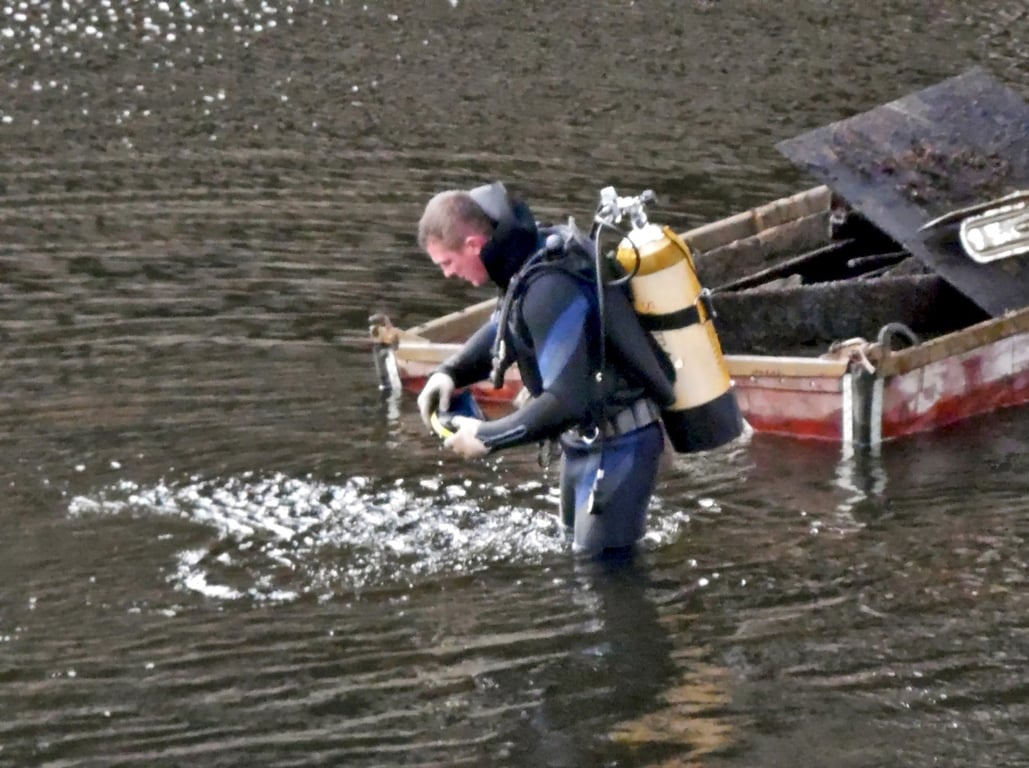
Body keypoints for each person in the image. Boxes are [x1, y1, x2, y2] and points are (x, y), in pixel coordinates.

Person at [415, 182, 675, 557]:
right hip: (585, 444)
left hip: (620, 445)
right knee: (576, 559)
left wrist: (487, 437)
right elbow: (508, 324)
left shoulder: (551, 285)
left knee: (604, 573)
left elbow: (565, 400)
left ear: (473, 244)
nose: (447, 275)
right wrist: (450, 372)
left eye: (447, 263)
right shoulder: (527, 261)